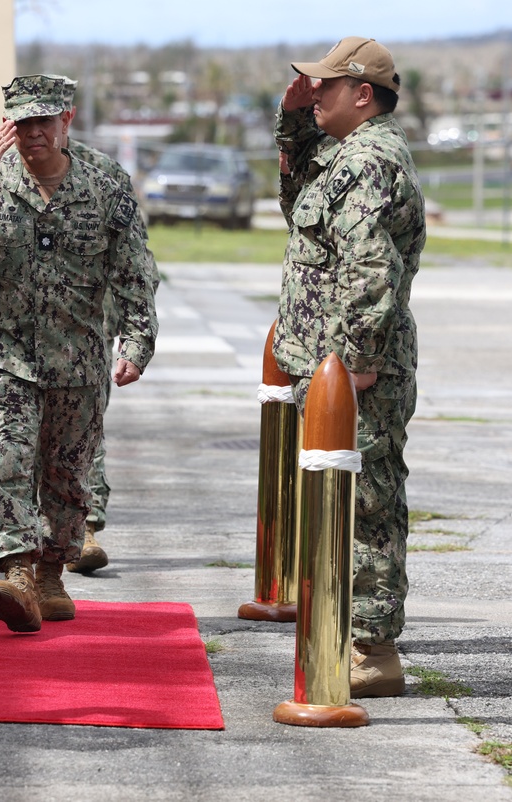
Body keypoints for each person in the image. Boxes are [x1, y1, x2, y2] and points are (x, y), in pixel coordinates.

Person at [0, 75, 158, 632]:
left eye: (42, 123)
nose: (32, 134)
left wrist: (137, 339)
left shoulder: (104, 182)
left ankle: (51, 573)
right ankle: (17, 572)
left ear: (66, 121)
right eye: (21, 123)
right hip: (6, 351)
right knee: (8, 459)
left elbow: (133, 266)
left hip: (78, 357)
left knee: (68, 478)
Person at [272, 37, 425, 697]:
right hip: (331, 366)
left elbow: (370, 267)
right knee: (339, 501)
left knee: (365, 504)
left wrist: (357, 361)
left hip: (356, 371)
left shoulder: (367, 160)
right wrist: (291, 119)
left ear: (362, 94)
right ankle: (348, 631)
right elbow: (296, 200)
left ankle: (371, 647)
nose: (314, 96)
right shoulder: (343, 155)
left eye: (324, 87)